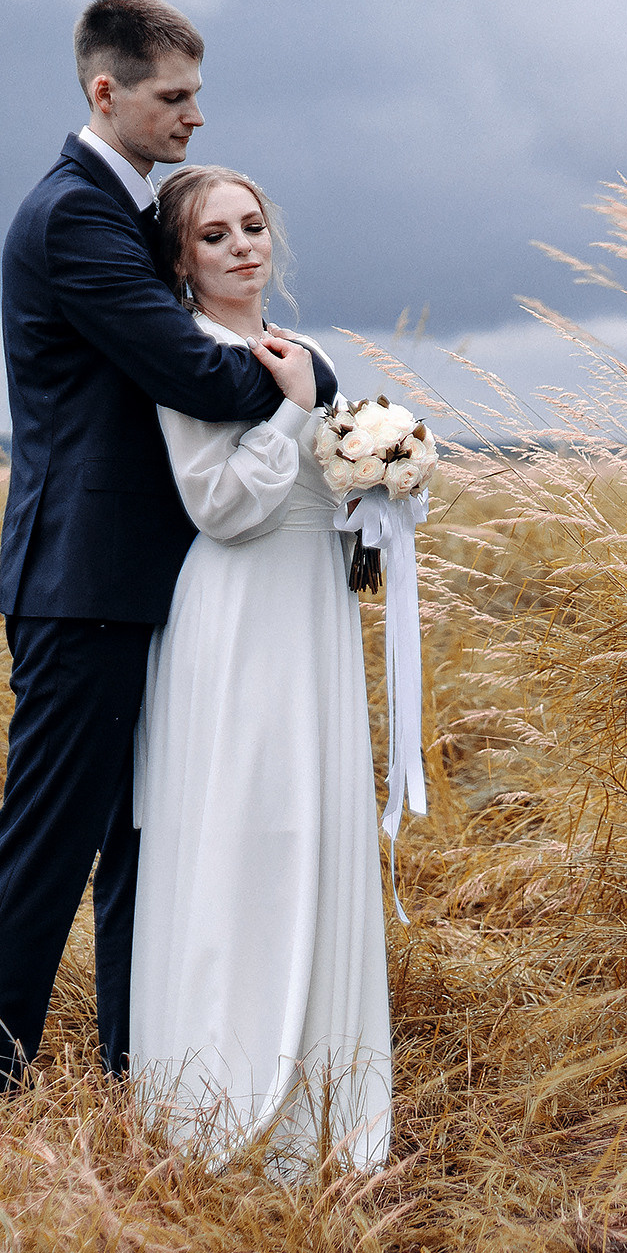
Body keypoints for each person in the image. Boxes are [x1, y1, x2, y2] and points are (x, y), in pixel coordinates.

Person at [0, 0, 327, 1096]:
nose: (195, 116)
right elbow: (200, 373)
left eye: (197, 93)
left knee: (138, 848)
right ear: (106, 91)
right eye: (174, 96)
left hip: (140, 586)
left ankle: (135, 1068)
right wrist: (321, 381)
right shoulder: (77, 216)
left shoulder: (124, 211)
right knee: (51, 848)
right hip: (84, 584)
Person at [129, 163, 390, 1170]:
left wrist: (383, 481)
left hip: (312, 609)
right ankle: (226, 1102)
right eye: (213, 236)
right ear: (182, 261)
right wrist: (287, 412)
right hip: (236, 613)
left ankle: (327, 1107)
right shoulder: (184, 354)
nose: (243, 245)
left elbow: (326, 494)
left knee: (315, 825)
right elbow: (219, 505)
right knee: (247, 826)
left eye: (251, 226)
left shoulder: (310, 347)